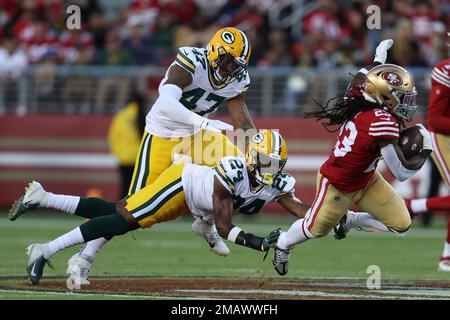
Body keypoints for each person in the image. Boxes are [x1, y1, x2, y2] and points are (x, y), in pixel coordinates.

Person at [10, 27, 256, 283]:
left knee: (237, 166)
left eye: (237, 64)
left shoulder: (237, 79)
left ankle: (205, 221)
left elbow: (244, 122)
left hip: (197, 136)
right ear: (216, 51)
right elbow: (168, 104)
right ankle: (80, 254)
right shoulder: (191, 61)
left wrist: (261, 152)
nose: (232, 69)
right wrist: (204, 123)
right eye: (229, 61)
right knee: (129, 212)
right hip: (164, 133)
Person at [11, 130, 309, 286]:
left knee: (116, 209)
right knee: (123, 220)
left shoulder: (278, 184)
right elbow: (225, 226)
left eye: (274, 162)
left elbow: (301, 211)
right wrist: (259, 243)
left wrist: (331, 217)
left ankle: (44, 197)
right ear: (252, 157)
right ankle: (46, 249)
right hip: (182, 184)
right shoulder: (233, 170)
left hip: (195, 204)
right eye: (264, 161)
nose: (269, 168)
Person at [270, 39, 433, 276]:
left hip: (367, 179)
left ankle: (351, 220)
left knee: (401, 225)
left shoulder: (361, 94)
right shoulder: (380, 122)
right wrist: (425, 151)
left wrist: (379, 60)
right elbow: (402, 172)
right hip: (338, 183)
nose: (408, 102)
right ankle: (283, 243)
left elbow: (366, 75)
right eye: (401, 96)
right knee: (314, 229)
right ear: (384, 96)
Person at [403, 57, 450, 272]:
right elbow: (435, 119)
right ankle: (414, 206)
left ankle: (447, 258)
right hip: (443, 138)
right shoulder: (446, 70)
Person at [108, 92, 147, 198]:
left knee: (125, 188)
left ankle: (120, 211)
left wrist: (118, 153)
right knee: (138, 189)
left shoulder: (121, 115)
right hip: (139, 158)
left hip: (124, 158)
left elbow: (113, 136)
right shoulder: (145, 115)